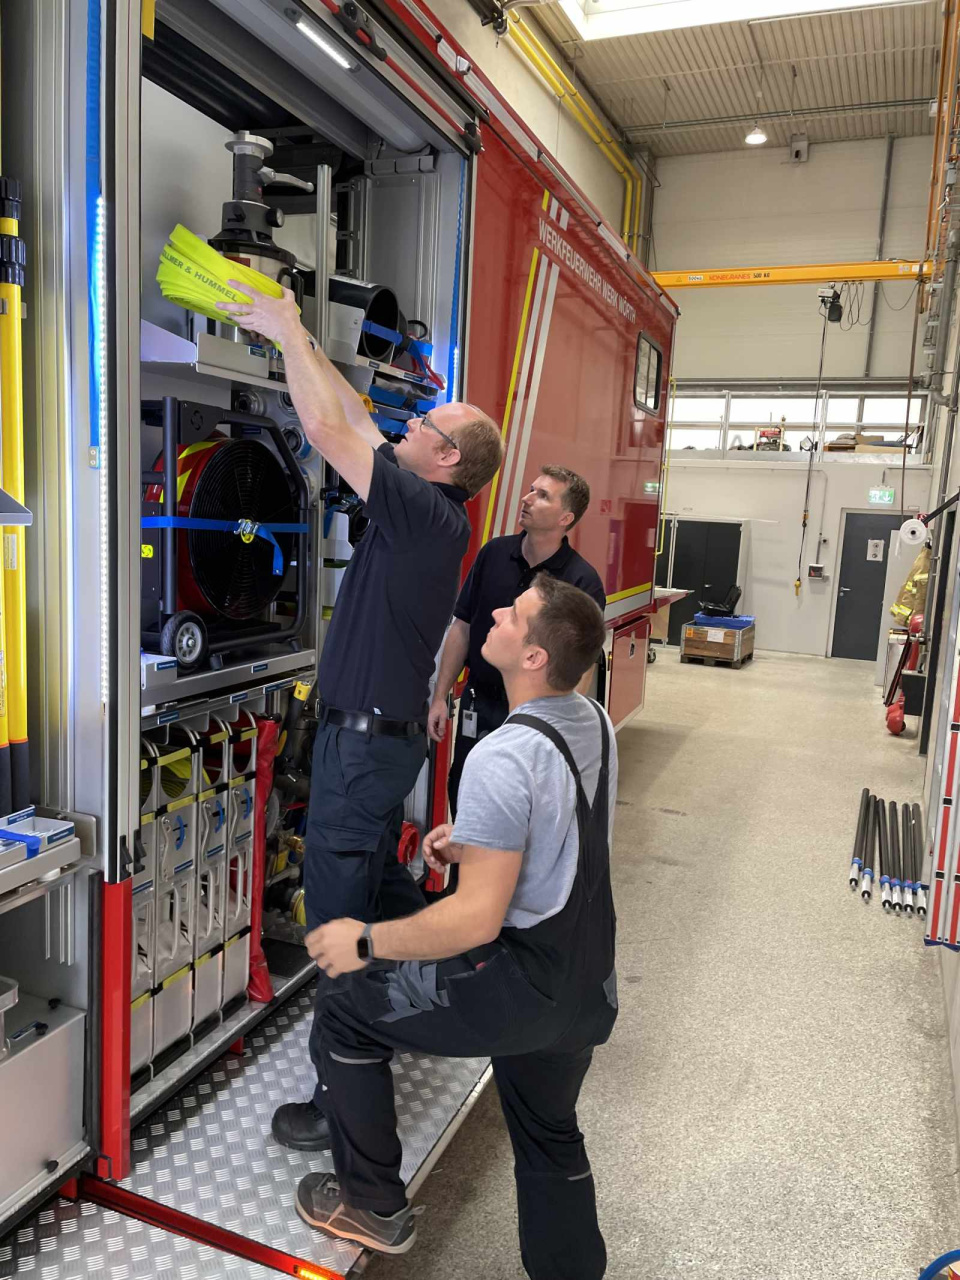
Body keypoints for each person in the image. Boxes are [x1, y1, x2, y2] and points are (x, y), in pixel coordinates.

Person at [217, 283, 504, 1151]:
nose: (408, 424)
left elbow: (325, 428)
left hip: (365, 747)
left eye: (426, 424)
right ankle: (436, 1000)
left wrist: (281, 330)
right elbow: (353, 417)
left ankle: (337, 1101)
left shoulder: (422, 514)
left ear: (447, 457)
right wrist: (298, 332)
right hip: (376, 744)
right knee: (379, 895)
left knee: (336, 926)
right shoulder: (422, 503)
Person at [297, 573, 619, 1280]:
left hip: (522, 984)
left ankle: (371, 1205)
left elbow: (474, 920)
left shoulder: (502, 755)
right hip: (588, 982)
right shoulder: (590, 718)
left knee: (345, 1004)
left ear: (532, 657)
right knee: (548, 1130)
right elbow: (556, 828)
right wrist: (473, 840)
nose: (496, 612)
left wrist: (363, 940)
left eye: (514, 614)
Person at [429, 465, 606, 819]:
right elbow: (462, 627)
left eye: (543, 495)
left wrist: (557, 729)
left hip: (535, 719)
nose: (527, 499)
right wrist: (440, 696)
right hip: (479, 705)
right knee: (466, 796)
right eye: (531, 489)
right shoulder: (493, 554)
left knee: (521, 813)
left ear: (566, 518)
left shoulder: (581, 582)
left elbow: (581, 666)